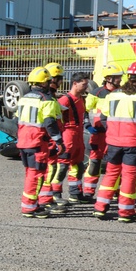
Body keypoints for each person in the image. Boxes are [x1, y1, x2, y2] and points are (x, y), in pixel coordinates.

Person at [91, 60, 136, 223]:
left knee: (111, 174)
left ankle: (99, 208)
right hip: (134, 143)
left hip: (113, 142)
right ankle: (125, 212)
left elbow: (103, 117)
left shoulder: (113, 94)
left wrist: (113, 131)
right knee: (129, 176)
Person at [15, 66, 65, 219]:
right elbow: (50, 122)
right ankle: (30, 207)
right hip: (37, 142)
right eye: (49, 81)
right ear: (44, 83)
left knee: (30, 173)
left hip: (24, 142)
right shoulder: (46, 100)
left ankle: (31, 204)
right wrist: (58, 141)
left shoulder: (24, 98)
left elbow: (17, 119)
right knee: (37, 175)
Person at [81, 63, 122, 201]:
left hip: (116, 133)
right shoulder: (96, 93)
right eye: (117, 77)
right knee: (94, 162)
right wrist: (87, 124)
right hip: (99, 133)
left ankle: (116, 191)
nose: (120, 80)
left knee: (116, 163)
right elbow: (84, 109)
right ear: (109, 78)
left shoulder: (122, 93)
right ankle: (88, 191)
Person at [50, 71, 90, 205]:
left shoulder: (82, 99)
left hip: (78, 134)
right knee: (62, 165)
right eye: (84, 84)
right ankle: (56, 194)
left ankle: (75, 193)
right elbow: (56, 118)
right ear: (75, 83)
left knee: (78, 165)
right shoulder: (65, 100)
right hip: (68, 134)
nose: (86, 87)